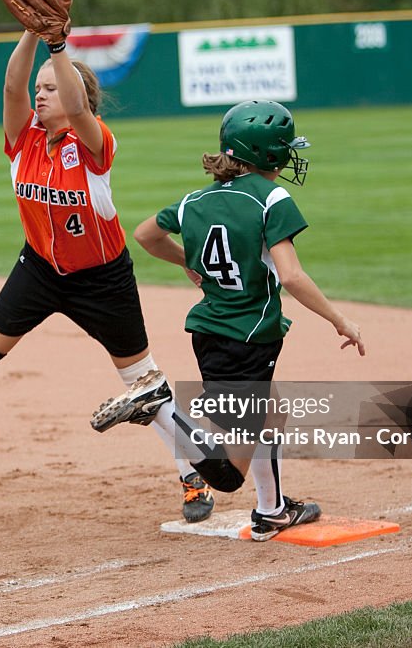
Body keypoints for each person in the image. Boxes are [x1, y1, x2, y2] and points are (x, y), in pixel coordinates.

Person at [0, 30, 215, 523]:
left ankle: (192, 478)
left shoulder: (94, 145)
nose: (40, 95)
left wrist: (59, 49)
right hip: (40, 269)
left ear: (76, 100)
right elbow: (11, 88)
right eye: (39, 89)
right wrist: (32, 33)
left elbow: (79, 108)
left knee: (143, 383)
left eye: (50, 89)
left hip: (103, 279)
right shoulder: (22, 139)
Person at [104, 99, 365, 541]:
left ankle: (272, 511)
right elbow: (293, 276)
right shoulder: (272, 197)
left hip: (211, 330)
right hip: (246, 340)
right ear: (268, 155)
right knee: (226, 473)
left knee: (273, 411)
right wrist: (340, 320)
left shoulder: (197, 199)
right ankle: (160, 407)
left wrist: (190, 262)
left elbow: (146, 234)